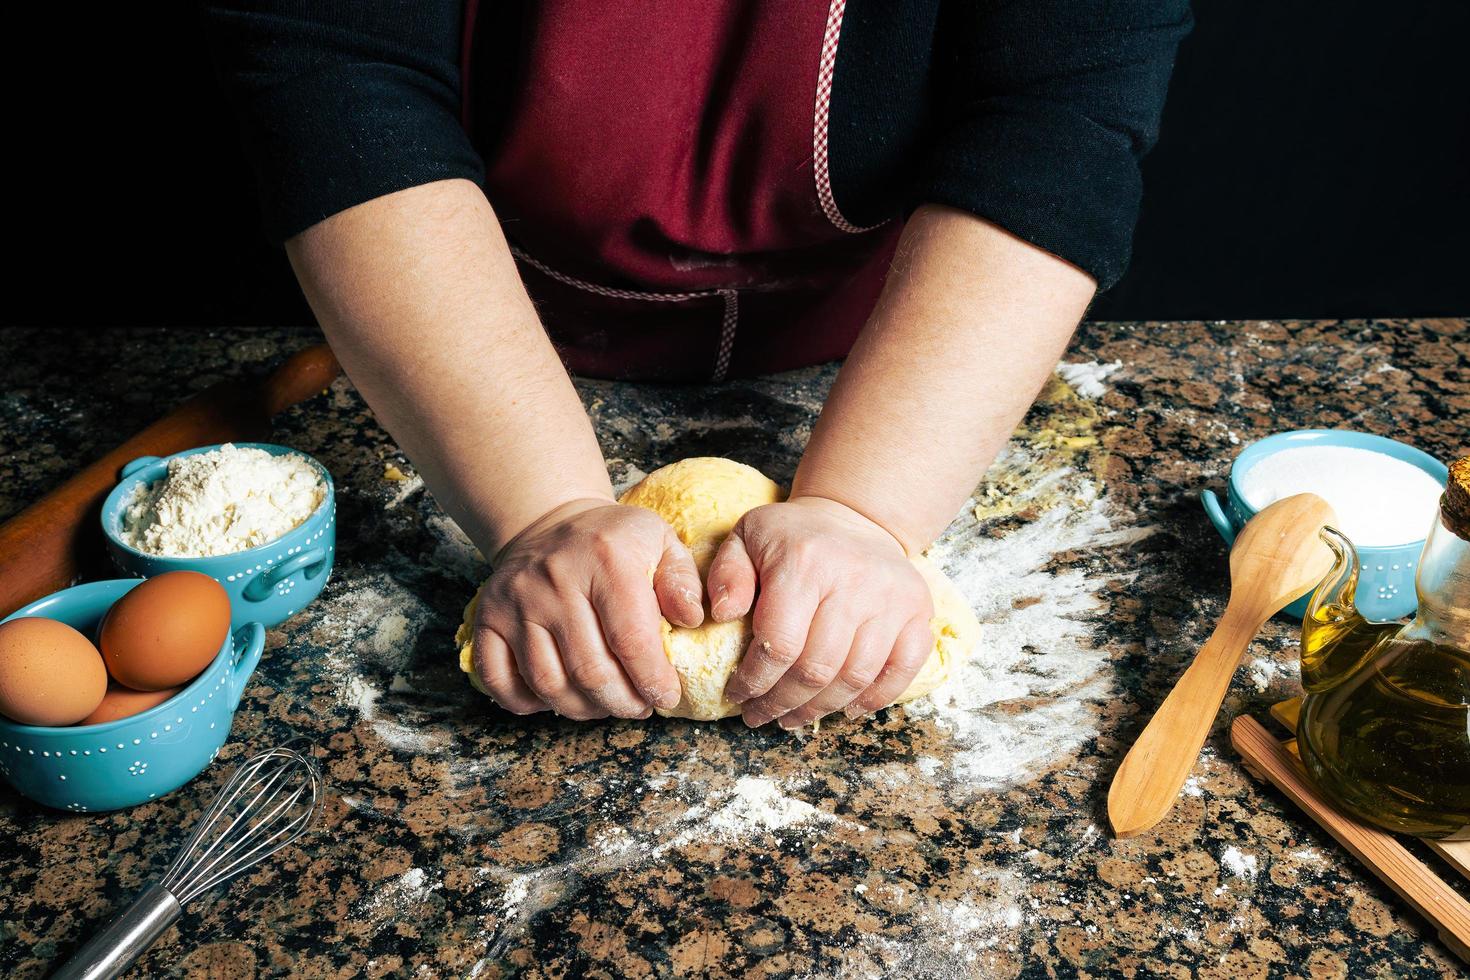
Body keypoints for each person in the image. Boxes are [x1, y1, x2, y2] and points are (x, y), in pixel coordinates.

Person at [205, 0, 1190, 728]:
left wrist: (870, 509)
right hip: (473, 324)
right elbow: (337, 72)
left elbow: (1060, 113)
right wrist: (543, 508)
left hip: (911, 339)